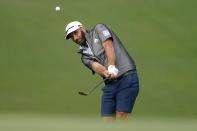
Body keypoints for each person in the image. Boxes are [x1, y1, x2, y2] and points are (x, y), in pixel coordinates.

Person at [65, 21, 139, 121]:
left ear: (82, 28)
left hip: (127, 77)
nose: (75, 38)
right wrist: (106, 72)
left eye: (75, 33)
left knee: (121, 117)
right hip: (110, 85)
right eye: (71, 37)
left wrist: (112, 66)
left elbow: (108, 45)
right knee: (106, 121)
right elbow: (96, 67)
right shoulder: (84, 57)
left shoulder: (99, 29)